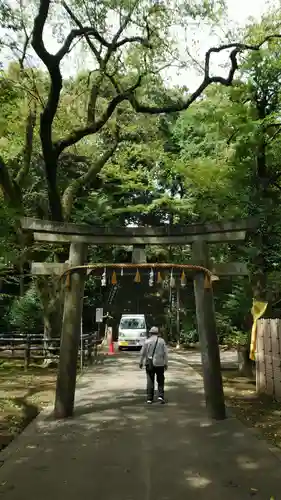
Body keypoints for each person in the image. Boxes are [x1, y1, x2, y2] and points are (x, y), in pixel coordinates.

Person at [139, 326, 168, 404]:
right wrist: (166, 363)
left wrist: (141, 362)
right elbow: (165, 353)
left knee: (150, 380)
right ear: (158, 333)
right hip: (160, 364)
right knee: (161, 380)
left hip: (149, 364)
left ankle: (149, 398)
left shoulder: (147, 341)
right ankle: (160, 396)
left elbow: (142, 353)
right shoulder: (162, 341)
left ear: (150, 333)